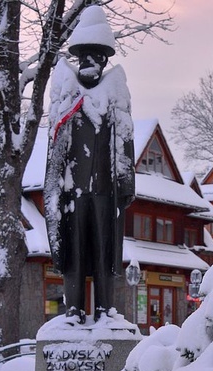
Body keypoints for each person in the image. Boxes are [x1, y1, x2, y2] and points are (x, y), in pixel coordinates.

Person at [44, 6, 135, 324]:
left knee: (104, 251)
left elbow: (125, 144)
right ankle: (73, 309)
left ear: (105, 61)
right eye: (84, 57)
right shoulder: (67, 98)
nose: (89, 63)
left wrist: (125, 184)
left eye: (96, 57)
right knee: (74, 252)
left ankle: (105, 309)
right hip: (72, 191)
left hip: (104, 192)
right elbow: (54, 151)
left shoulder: (114, 98)